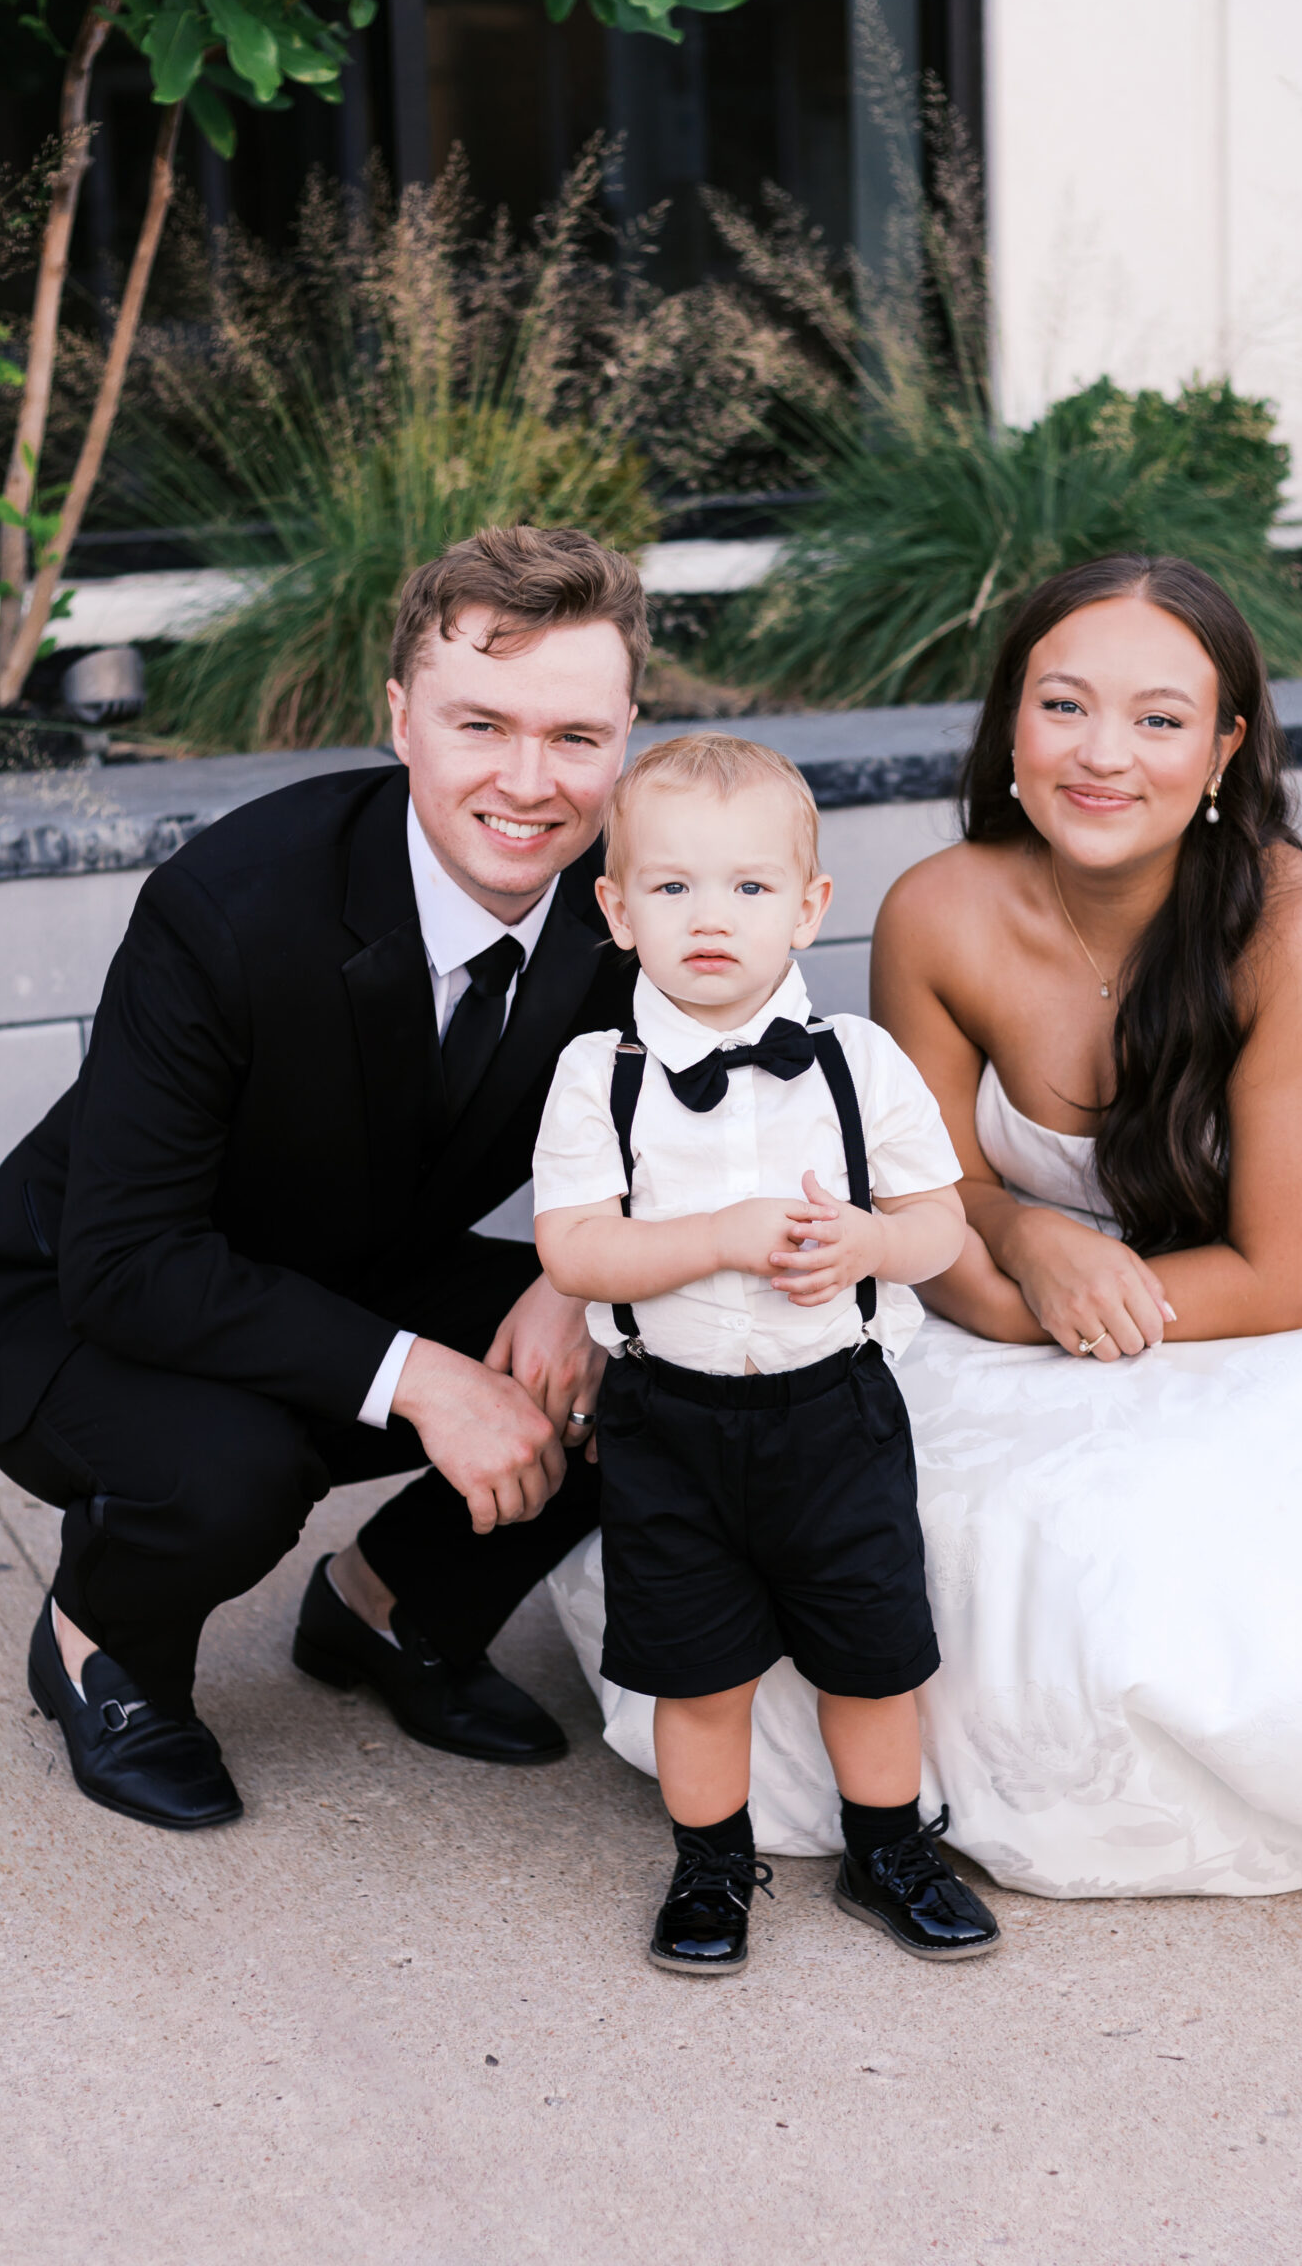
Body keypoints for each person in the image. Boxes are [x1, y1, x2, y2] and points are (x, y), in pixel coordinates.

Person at [550, 554, 1302, 1934]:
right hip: (1043, 1287)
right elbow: (934, 1188)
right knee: (855, 1497)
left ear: (1223, 751)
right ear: (1009, 731)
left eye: (1157, 721)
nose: (1102, 755)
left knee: (1162, 1569)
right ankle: (751, 1837)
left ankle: (908, 1832)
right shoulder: (939, 911)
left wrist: (1030, 1292)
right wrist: (1025, 1237)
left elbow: (1279, 1275)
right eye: (1063, 706)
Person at [0, 527, 646, 1832]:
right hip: (80, 1294)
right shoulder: (232, 907)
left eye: (575, 738)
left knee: (663, 1352)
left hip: (340, 1259)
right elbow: (129, 1261)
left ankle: (387, 1608)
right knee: (230, 1473)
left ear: (627, 738)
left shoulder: (631, 898)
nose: (529, 783)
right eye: (480, 724)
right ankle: (104, 1645)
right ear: (401, 722)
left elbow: (690, 1129)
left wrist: (570, 1279)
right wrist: (429, 1382)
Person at [532, 733, 1000, 1972]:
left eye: (748, 888)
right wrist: (715, 1238)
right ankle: (711, 1862)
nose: (710, 918)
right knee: (699, 1672)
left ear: (809, 906)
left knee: (872, 1652)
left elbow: (941, 1222)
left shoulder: (861, 1063)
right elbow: (577, 1250)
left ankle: (888, 1844)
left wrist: (866, 1242)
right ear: (617, 910)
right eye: (673, 887)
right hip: (668, 1426)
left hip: (835, 1416)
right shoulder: (598, 1076)